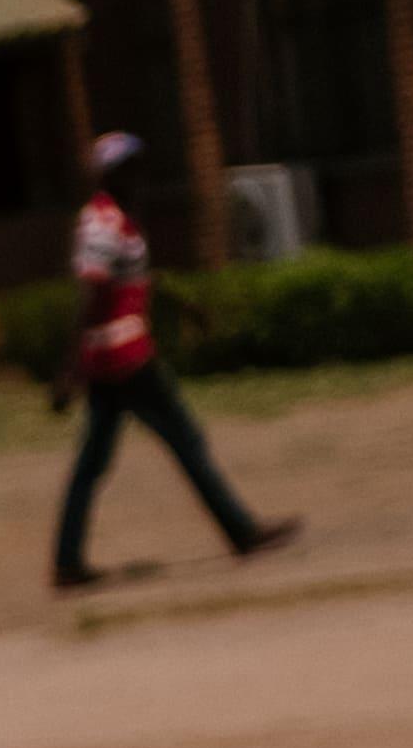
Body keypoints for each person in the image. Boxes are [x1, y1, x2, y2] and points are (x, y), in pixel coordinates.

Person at [53, 130, 299, 590]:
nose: (138, 174)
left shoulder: (116, 219)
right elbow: (91, 293)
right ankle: (242, 532)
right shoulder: (104, 223)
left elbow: (138, 277)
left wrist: (185, 306)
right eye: (129, 167)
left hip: (113, 361)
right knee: (187, 442)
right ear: (110, 174)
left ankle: (67, 562)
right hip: (125, 359)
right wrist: (69, 368)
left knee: (94, 463)